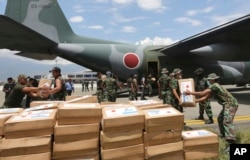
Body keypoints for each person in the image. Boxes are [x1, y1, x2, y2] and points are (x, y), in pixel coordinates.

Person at [185, 73, 238, 151]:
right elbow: (205, 98)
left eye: (209, 79)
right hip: (227, 105)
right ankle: (224, 136)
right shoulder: (213, 87)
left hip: (231, 104)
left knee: (227, 122)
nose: (208, 81)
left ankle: (231, 142)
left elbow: (202, 93)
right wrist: (194, 101)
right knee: (220, 119)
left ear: (213, 79)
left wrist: (190, 93)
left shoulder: (215, 85)